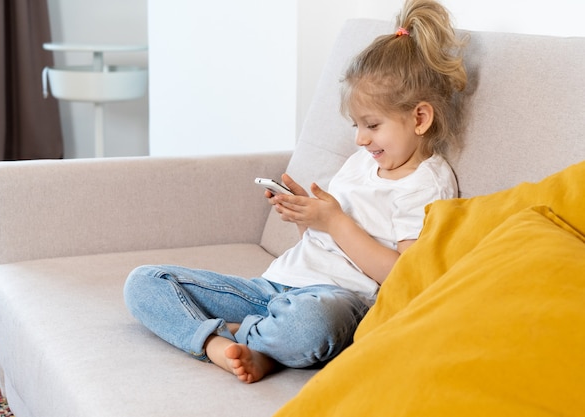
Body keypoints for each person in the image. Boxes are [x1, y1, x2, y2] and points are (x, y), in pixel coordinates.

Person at [124, 0, 467, 384]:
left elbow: (405, 276)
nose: (359, 138)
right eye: (355, 125)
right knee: (145, 282)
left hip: (339, 301)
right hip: (275, 287)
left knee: (308, 326)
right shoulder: (363, 162)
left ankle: (244, 337)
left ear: (420, 118)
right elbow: (321, 247)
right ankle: (218, 342)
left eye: (371, 125)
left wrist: (334, 221)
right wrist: (307, 216)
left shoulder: (426, 184)